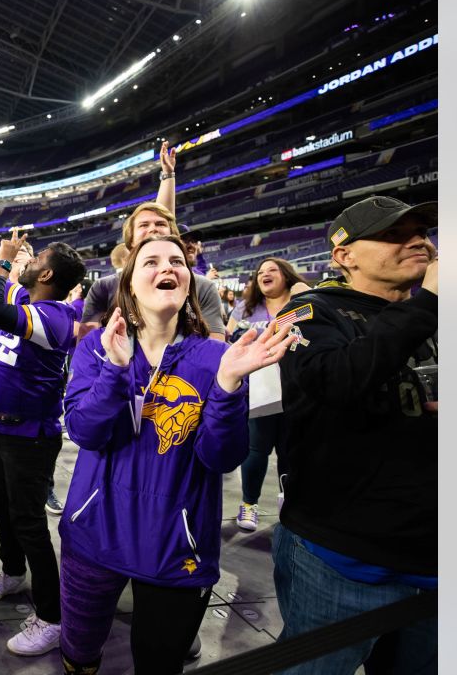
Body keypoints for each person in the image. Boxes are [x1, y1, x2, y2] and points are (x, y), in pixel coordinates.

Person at [59, 234, 296, 675]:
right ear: (129, 284)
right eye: (151, 261)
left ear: (188, 283)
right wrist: (115, 370)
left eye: (177, 261)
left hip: (176, 548)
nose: (168, 267)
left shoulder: (216, 358)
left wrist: (226, 387)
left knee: (160, 664)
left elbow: (221, 457)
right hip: (93, 535)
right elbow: (84, 432)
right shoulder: (97, 346)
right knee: (79, 654)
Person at [274, 195, 438, 674]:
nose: (418, 242)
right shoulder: (309, 310)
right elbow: (336, 381)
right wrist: (428, 303)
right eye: (393, 234)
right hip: (343, 556)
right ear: (343, 256)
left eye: (421, 232)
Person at [0, 219, 87, 657]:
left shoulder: (55, 316)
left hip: (30, 437)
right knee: (3, 509)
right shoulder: (28, 299)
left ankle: (52, 617)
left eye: (35, 260)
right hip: (2, 430)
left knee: (30, 523)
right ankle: (12, 572)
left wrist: (1, 260)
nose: (25, 262)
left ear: (48, 275)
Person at [80, 143, 226, 342]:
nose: (153, 229)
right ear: (129, 242)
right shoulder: (104, 288)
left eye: (160, 224)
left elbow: (216, 352)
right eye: (143, 225)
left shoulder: (203, 287)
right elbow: (86, 352)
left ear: (173, 236)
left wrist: (168, 176)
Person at [226, 257, 311, 531]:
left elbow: (315, 340)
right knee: (256, 449)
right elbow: (227, 341)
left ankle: (288, 504)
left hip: (296, 389)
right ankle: (249, 504)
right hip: (259, 391)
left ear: (286, 275)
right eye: (260, 271)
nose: (264, 274)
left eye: (271, 270)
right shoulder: (244, 308)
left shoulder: (303, 303)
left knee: (290, 450)